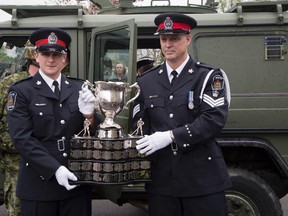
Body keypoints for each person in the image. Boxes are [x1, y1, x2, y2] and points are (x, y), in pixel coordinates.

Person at [132, 13, 232, 216]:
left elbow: (213, 120)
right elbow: (139, 125)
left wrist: (170, 136)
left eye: (174, 38)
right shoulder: (147, 81)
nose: (168, 44)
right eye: (163, 39)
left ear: (188, 39)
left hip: (202, 180)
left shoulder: (208, 76)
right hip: (162, 183)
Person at [7, 27, 97, 216]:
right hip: (40, 185)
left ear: (65, 59)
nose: (51, 59)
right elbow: (22, 139)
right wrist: (54, 169)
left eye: (56, 54)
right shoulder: (22, 91)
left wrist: (89, 115)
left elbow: (91, 135)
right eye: (45, 53)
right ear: (36, 57)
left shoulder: (79, 87)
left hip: (76, 182)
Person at [0, 40, 39, 216]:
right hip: (17, 164)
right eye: (45, 54)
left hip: (49, 163)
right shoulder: (9, 85)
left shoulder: (60, 85)